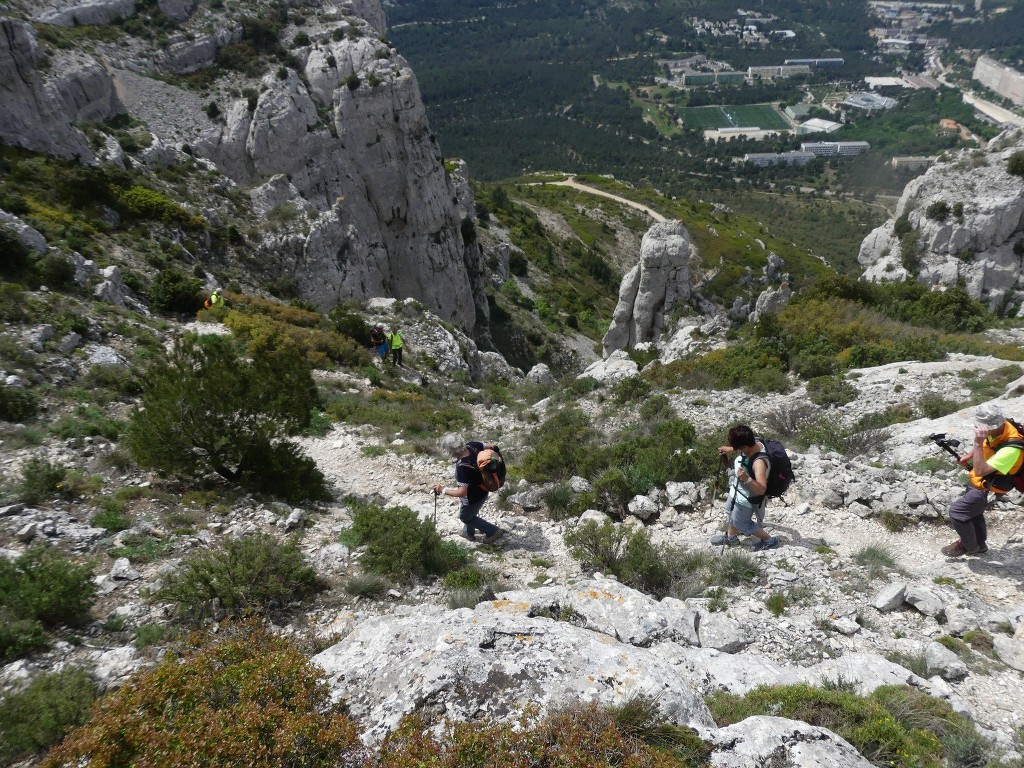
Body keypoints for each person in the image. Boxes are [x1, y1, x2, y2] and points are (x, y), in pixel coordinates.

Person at [941, 403, 1024, 557]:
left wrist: (977, 443)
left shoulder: (1011, 449)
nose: (980, 429)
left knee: (957, 512)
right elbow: (989, 444)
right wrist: (970, 455)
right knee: (974, 512)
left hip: (990, 486)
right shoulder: (1003, 427)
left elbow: (980, 470)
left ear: (992, 425)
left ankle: (969, 546)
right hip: (983, 480)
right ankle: (980, 545)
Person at [710, 424, 780, 551]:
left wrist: (745, 478)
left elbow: (761, 489)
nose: (737, 451)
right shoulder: (755, 442)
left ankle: (771, 541)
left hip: (745, 499)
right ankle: (731, 537)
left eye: (738, 449)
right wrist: (730, 449)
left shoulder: (759, 463)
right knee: (731, 514)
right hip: (736, 491)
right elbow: (745, 446)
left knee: (742, 523)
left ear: (745, 447)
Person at [433, 433, 505, 543]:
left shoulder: (463, 467)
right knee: (472, 513)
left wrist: (443, 490)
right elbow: (491, 446)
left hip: (473, 498)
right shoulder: (472, 445)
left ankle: (492, 531)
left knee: (465, 517)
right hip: (484, 489)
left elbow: (461, 492)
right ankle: (468, 533)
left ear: (451, 451)